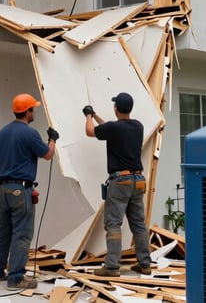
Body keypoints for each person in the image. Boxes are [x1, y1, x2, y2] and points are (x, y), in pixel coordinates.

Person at [0, 93, 58, 290]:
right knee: (22, 234)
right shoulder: (30, 133)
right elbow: (47, 154)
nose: (33, 112)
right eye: (33, 109)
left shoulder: (3, 132)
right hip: (21, 190)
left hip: (3, 189)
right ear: (27, 111)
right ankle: (16, 278)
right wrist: (52, 139)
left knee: (4, 231)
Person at [83, 92, 152, 277]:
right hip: (138, 180)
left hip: (120, 182)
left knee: (113, 224)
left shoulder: (114, 129)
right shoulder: (138, 126)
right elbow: (111, 128)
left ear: (116, 108)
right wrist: (96, 114)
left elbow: (90, 131)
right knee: (138, 224)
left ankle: (112, 266)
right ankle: (145, 264)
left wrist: (88, 116)